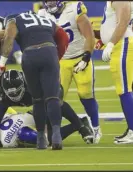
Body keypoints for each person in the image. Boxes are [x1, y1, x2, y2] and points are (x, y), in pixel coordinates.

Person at [0, 11, 70, 150]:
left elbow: (9, 37)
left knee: (37, 99)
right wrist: (57, 56)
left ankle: (40, 139)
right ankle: (56, 135)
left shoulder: (13, 20)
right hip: (49, 52)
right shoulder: (45, 19)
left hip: (30, 54)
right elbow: (63, 36)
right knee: (52, 97)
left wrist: (1, 64)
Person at [38, 1, 101, 144]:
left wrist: (86, 56)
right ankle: (56, 130)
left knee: (86, 94)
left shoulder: (75, 8)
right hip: (60, 60)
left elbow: (89, 34)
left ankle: (96, 127)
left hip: (79, 56)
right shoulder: (42, 14)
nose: (50, 3)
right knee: (55, 98)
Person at [100, 1, 133, 144]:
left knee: (124, 89)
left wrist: (111, 43)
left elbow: (123, 22)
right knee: (125, 89)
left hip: (123, 45)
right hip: (122, 44)